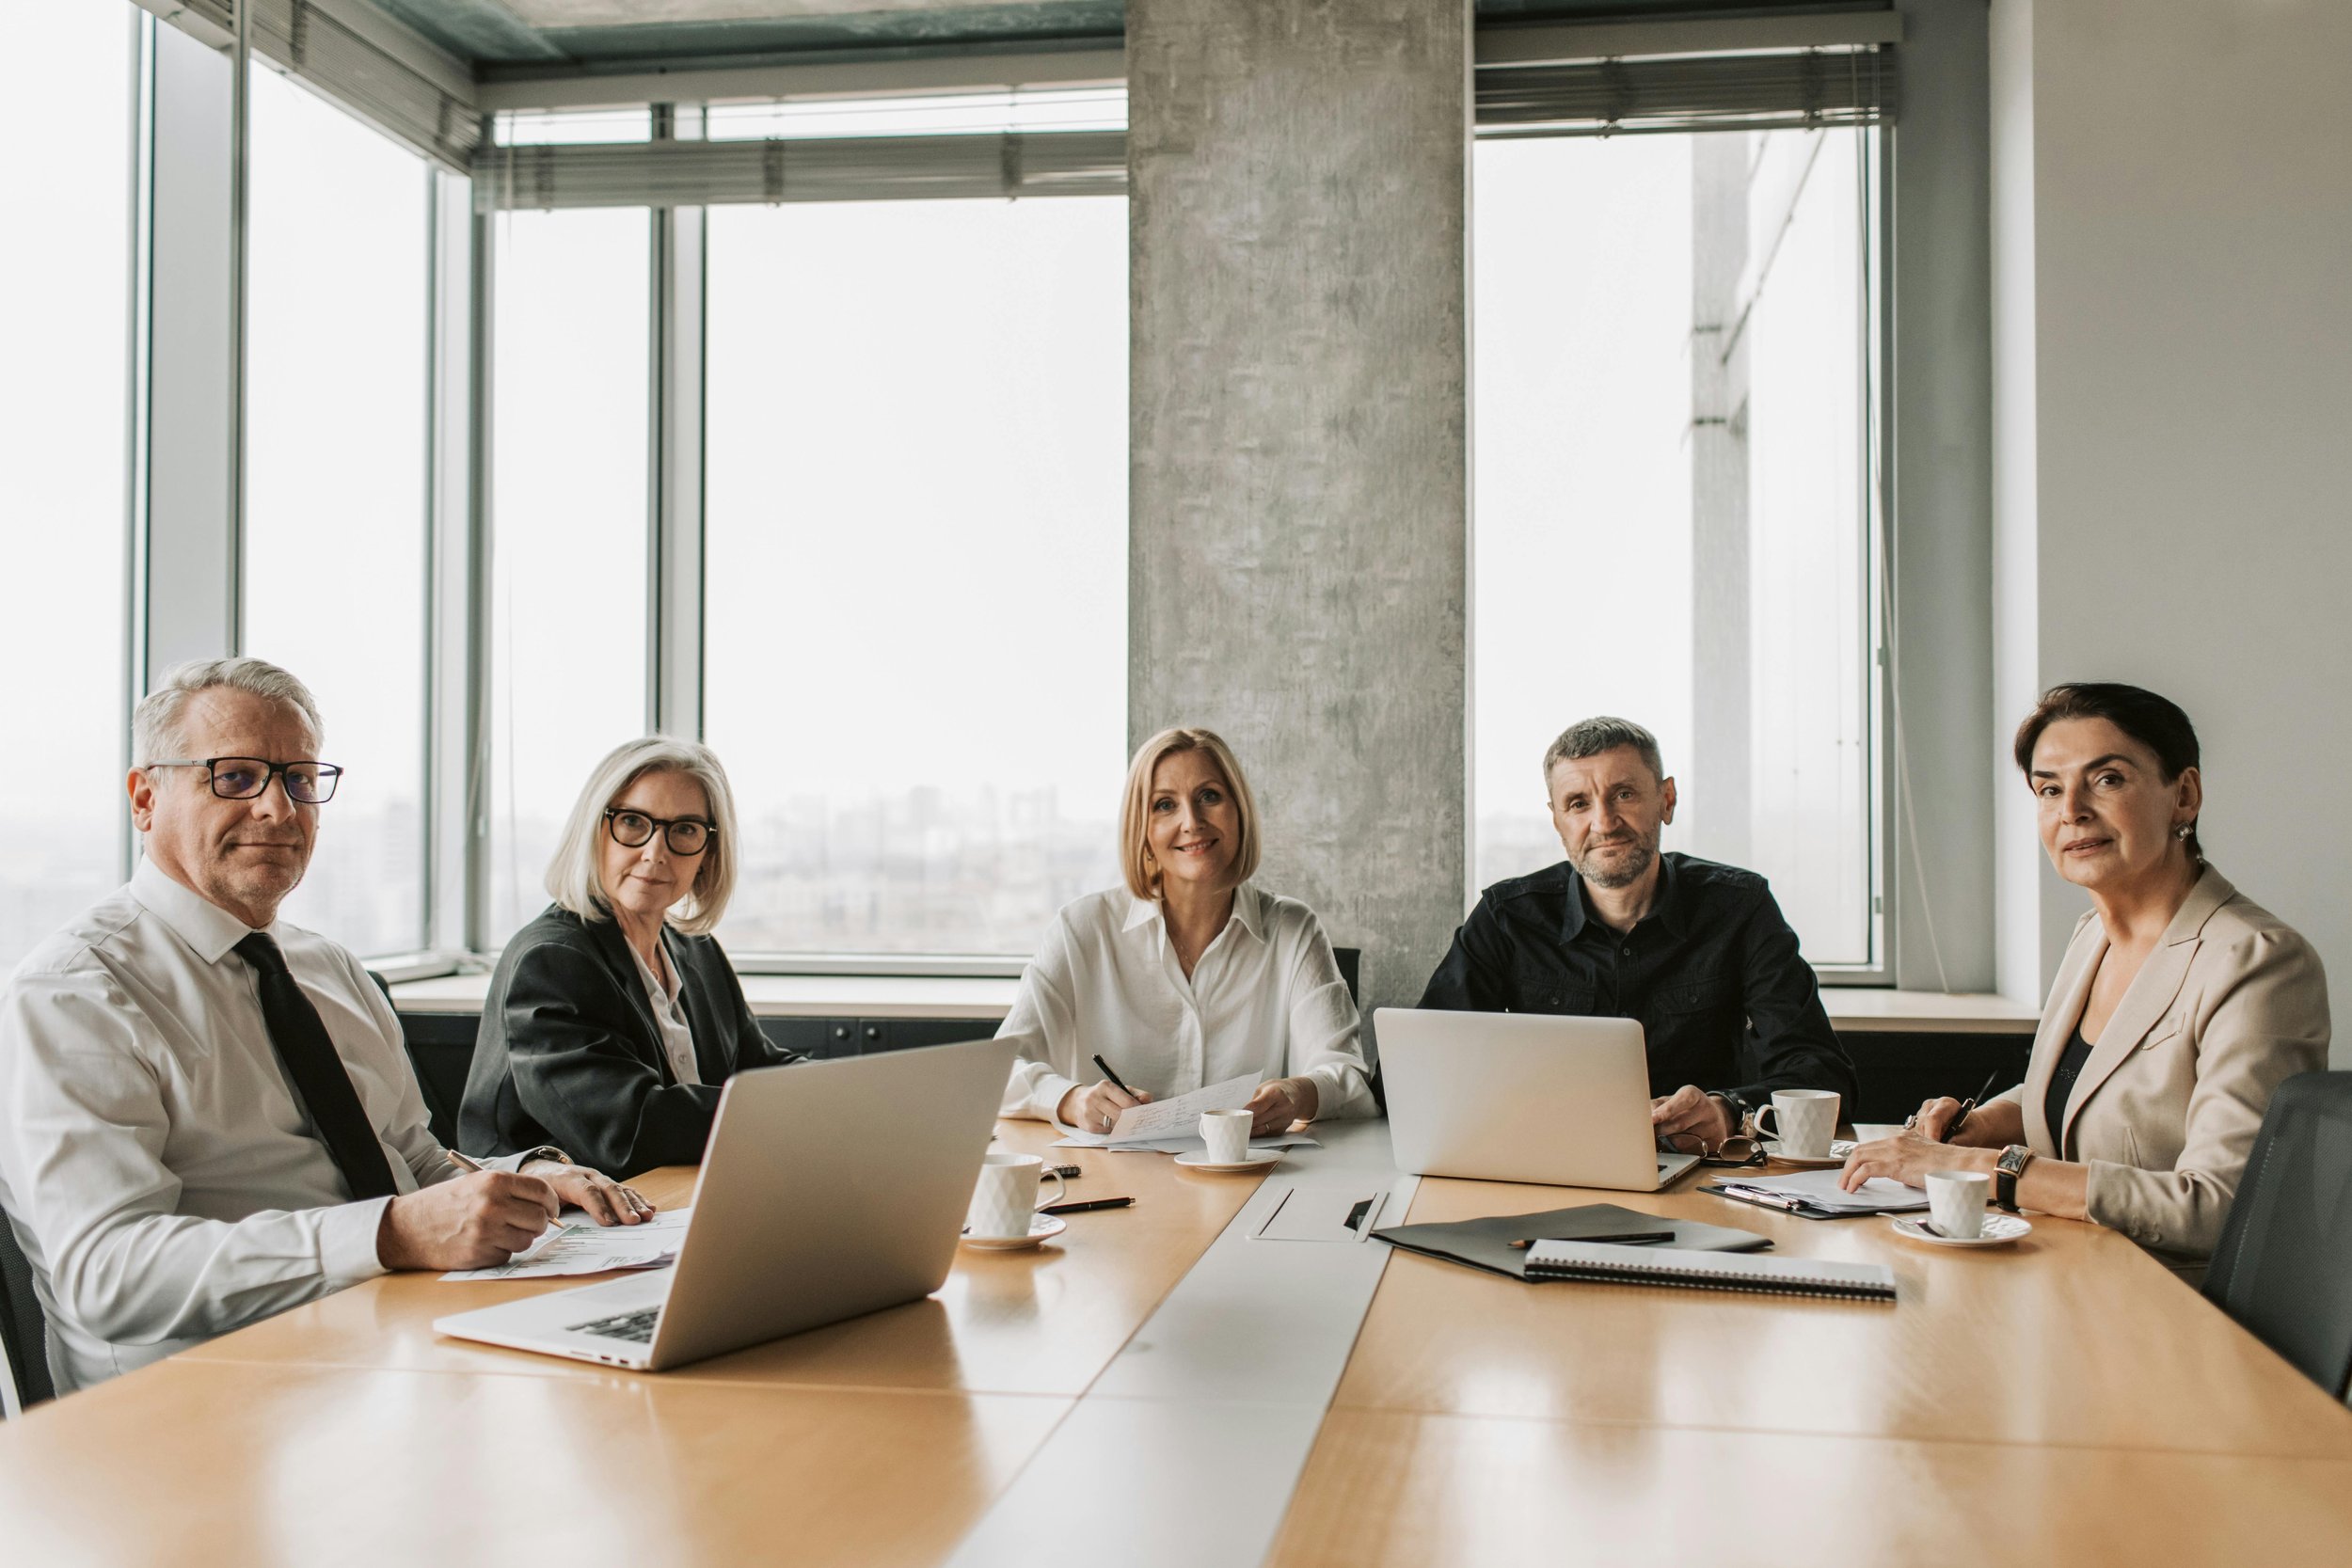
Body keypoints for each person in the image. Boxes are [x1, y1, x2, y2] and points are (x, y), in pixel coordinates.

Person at [0, 658, 648, 1396]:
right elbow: (106, 1272)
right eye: (237, 776)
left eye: (301, 779)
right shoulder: (75, 991)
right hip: (204, 1404)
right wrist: (389, 1235)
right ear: (145, 798)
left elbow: (411, 1158)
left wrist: (521, 1182)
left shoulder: (328, 968)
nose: (280, 808)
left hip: (391, 1355)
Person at [1841, 683, 2328, 1263]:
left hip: (2170, 1308)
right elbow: (2093, 1092)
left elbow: (2218, 1206)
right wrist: (1982, 1126)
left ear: (2185, 795)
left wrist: (1975, 1166)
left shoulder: (2258, 960)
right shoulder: (2092, 935)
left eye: (2108, 779)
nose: (2071, 809)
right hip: (2065, 1265)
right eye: (2049, 788)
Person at [1419, 716, 1854, 1151]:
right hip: (1548, 1162)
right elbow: (1423, 1067)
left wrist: (1729, 1110)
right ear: (1557, 821)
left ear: (1666, 800)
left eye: (1623, 794)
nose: (1604, 823)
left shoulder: (1741, 907)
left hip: (1705, 1172)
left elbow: (1820, 1074)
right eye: (1578, 804)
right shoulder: (1506, 918)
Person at [998, 726, 1375, 1136]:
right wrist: (1072, 1100)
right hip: (1111, 1184)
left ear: (1239, 811)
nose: (1191, 822)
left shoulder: (1293, 930)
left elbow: (1349, 1078)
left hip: (1249, 1181)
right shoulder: (1081, 929)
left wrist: (1298, 1093)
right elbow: (999, 1075)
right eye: (1164, 805)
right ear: (1141, 830)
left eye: (1209, 796)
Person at [461, 737, 806, 1177]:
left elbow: (757, 1065)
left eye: (684, 830)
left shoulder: (695, 951)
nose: (655, 852)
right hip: (564, 1220)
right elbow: (630, 1126)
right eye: (632, 822)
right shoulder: (551, 959)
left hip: (675, 1194)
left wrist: (843, 1093)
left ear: (707, 854)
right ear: (595, 831)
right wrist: (790, 1110)